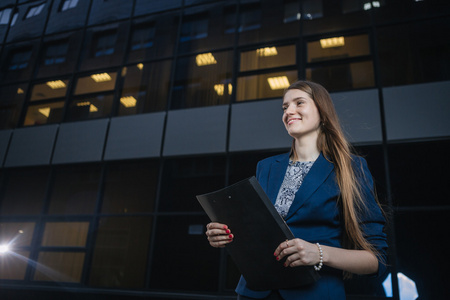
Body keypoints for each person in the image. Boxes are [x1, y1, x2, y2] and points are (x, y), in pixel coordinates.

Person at [205, 80, 388, 300]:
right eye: (285, 107)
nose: (289, 111)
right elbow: (257, 231)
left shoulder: (351, 168)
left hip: (314, 294)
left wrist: (318, 253)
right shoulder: (266, 166)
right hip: (254, 293)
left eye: (299, 103)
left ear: (322, 111)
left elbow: (375, 260)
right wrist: (226, 233)